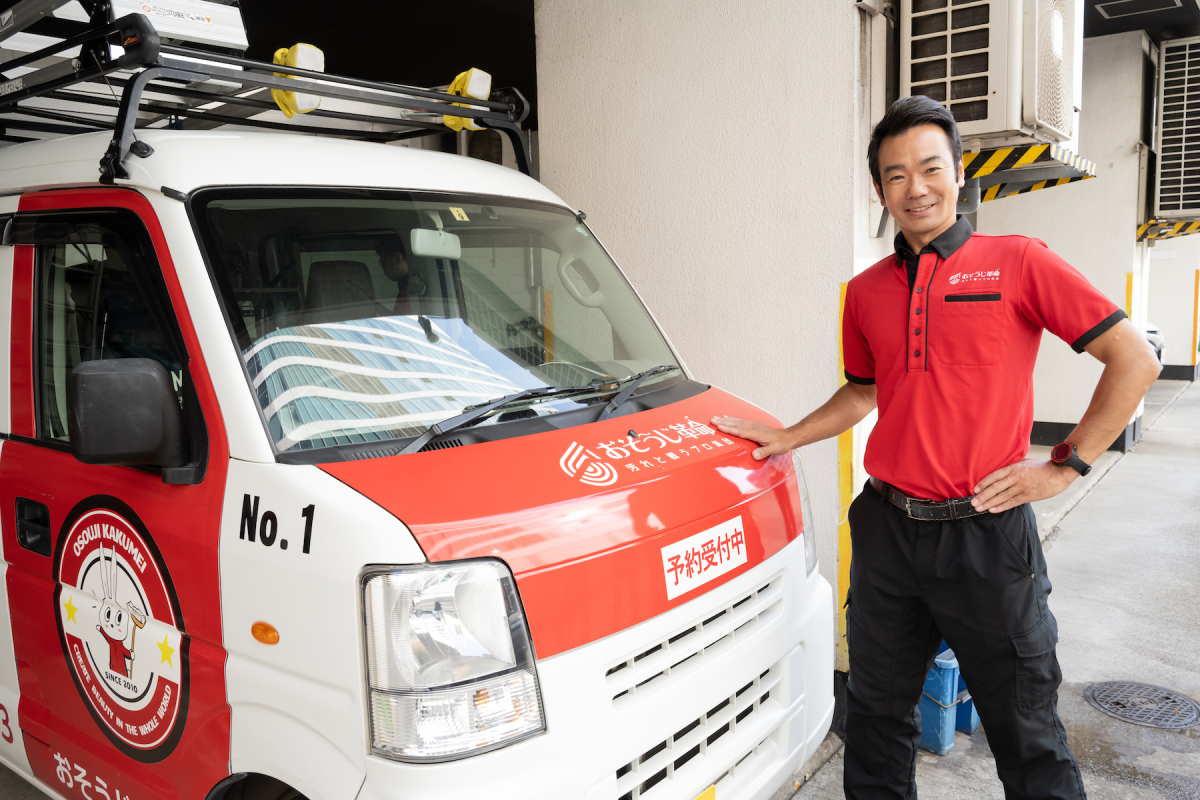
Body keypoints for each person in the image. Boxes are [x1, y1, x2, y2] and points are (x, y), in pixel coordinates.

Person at [712, 95, 1161, 800]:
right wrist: (790, 435)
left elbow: (1134, 359)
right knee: (875, 720)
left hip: (986, 536)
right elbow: (864, 390)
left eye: (929, 168)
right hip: (888, 531)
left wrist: (1065, 465)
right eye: (895, 175)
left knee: (1027, 733)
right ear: (879, 190)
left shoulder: (1018, 262)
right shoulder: (865, 292)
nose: (914, 188)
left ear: (958, 172)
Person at [376, 234, 425, 315]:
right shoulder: (409, 287)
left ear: (397, 259)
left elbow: (407, 320)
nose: (384, 273)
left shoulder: (410, 290)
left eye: (384, 264)